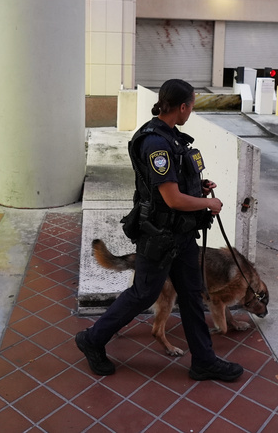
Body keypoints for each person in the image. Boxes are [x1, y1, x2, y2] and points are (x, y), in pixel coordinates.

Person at [75, 78, 244, 382]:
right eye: (191, 105)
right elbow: (171, 198)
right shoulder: (155, 142)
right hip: (160, 237)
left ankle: (204, 361)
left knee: (192, 296)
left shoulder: (171, 136)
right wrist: (208, 204)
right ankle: (92, 339)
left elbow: (178, 185)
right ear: (182, 106)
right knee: (143, 294)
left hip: (180, 236)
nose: (191, 111)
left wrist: (199, 187)